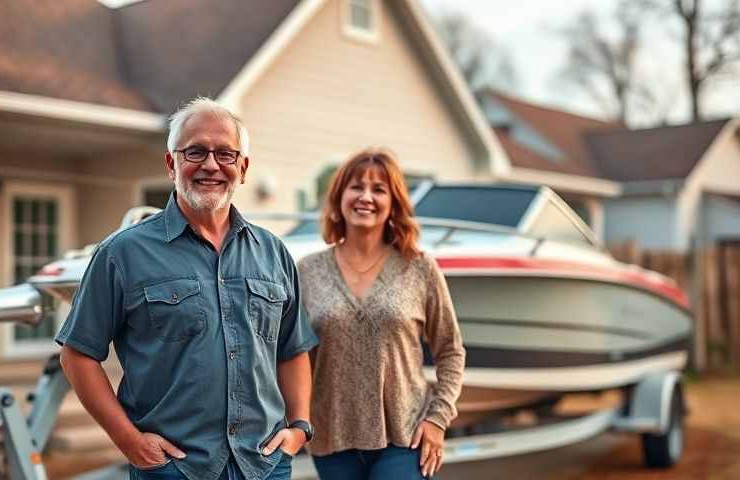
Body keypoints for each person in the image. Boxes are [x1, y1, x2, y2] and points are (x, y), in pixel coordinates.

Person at [56, 97, 318, 480]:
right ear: (171, 164)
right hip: (173, 469)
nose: (211, 165)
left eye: (226, 154)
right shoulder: (122, 253)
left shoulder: (273, 252)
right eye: (195, 151)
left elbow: (293, 349)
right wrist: (129, 440)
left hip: (263, 465)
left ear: (242, 169)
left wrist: (299, 428)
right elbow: (77, 355)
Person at [297, 148, 465, 479]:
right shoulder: (307, 271)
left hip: (406, 436)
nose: (366, 197)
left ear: (394, 203)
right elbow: (293, 357)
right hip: (332, 439)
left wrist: (437, 418)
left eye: (379, 189)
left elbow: (450, 350)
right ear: (339, 196)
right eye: (356, 187)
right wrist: (296, 421)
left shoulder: (419, 268)